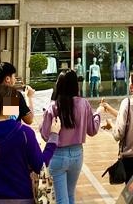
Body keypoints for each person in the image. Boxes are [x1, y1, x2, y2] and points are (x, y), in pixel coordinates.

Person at [0, 85, 60, 204]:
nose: (18, 105)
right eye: (15, 102)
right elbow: (40, 166)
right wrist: (53, 136)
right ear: (4, 106)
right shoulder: (24, 133)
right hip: (22, 198)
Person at [40, 70, 101, 204]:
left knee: (62, 198)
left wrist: (30, 101)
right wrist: (98, 114)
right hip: (77, 153)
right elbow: (92, 130)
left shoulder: (10, 95)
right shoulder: (83, 103)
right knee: (69, 195)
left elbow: (43, 133)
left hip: (57, 154)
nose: (15, 79)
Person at [100, 69, 133, 179]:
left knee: (131, 189)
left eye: (130, 81)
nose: (129, 84)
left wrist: (112, 125)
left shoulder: (127, 103)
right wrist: (109, 109)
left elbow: (118, 134)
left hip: (130, 159)